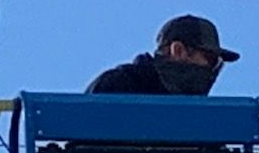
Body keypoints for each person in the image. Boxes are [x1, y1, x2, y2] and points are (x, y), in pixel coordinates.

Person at [87, 15, 240, 95]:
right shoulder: (117, 85)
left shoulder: (202, 117)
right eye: (211, 59)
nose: (212, 70)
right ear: (178, 51)